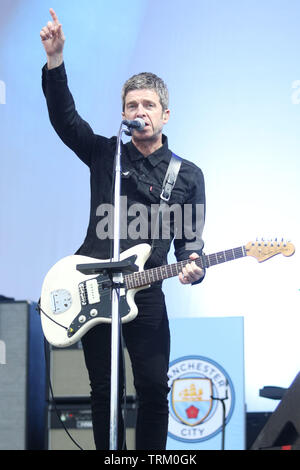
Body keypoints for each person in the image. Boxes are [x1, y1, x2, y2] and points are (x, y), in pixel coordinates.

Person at [40, 8, 206, 450]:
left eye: (148, 104)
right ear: (123, 113)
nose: (139, 111)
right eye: (131, 105)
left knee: (154, 388)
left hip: (146, 289)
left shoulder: (187, 175)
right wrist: (55, 61)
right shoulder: (106, 154)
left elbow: (191, 244)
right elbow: (65, 121)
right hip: (96, 284)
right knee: (105, 393)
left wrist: (194, 267)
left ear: (165, 114)